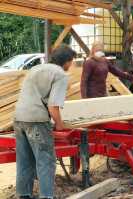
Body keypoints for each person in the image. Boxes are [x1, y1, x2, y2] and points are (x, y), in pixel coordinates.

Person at [14, 44, 77, 199]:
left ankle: (24, 195)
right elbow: (53, 107)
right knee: (45, 161)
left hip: (18, 118)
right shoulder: (60, 74)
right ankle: (46, 196)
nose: (72, 64)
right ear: (67, 61)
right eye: (72, 61)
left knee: (24, 160)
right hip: (36, 120)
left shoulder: (36, 69)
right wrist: (60, 125)